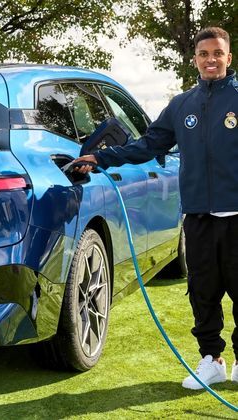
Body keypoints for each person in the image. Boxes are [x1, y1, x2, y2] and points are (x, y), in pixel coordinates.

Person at [73, 27, 238, 390]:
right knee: (202, 291)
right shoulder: (182, 106)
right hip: (197, 218)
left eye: (217, 53)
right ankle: (211, 360)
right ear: (194, 59)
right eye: (204, 54)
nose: (211, 59)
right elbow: (148, 144)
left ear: (229, 57)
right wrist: (100, 157)